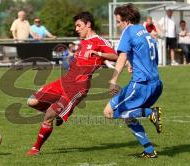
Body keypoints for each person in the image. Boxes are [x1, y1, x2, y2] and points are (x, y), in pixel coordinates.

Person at [26, 11, 118, 156]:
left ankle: (35, 149)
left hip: (79, 86)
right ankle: (59, 113)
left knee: (48, 115)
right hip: (65, 80)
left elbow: (116, 56)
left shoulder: (100, 41)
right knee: (31, 101)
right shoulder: (81, 43)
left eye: (78, 25)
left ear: (88, 24)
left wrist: (98, 53)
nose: (76, 29)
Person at [103, 4, 163, 158]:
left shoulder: (128, 31)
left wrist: (113, 79)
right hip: (156, 84)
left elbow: (122, 56)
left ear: (127, 20)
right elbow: (145, 54)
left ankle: (151, 112)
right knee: (129, 116)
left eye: (118, 21)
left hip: (141, 85)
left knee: (110, 112)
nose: (117, 25)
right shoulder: (146, 33)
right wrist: (133, 63)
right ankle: (149, 151)